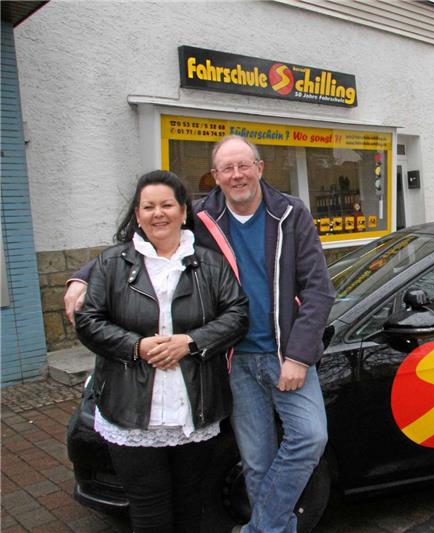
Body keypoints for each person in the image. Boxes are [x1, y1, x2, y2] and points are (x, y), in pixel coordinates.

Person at [66, 135, 336, 533]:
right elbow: (144, 236)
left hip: (284, 355)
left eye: (244, 165)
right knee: (256, 461)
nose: (236, 175)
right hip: (232, 359)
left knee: (310, 438)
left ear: (260, 168)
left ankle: (260, 527)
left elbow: (318, 289)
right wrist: (81, 277)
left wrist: (298, 357)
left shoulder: (291, 214)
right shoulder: (203, 216)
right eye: (226, 168)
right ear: (216, 176)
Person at [74, 170, 249, 533]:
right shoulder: (111, 263)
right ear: (137, 215)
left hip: (193, 409)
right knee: (149, 514)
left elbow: (238, 314)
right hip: (131, 410)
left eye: (167, 204)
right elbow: (89, 321)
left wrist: (192, 341)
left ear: (184, 211)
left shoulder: (210, 263)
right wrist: (135, 346)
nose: (159, 213)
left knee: (190, 506)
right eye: (148, 206)